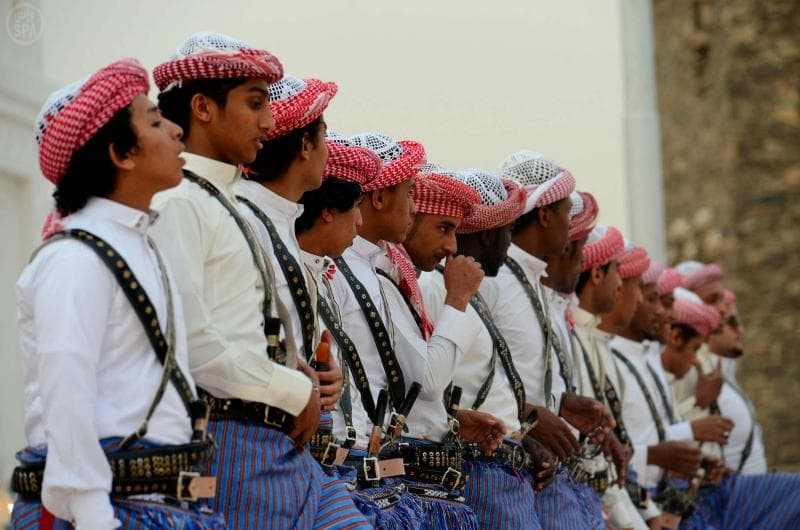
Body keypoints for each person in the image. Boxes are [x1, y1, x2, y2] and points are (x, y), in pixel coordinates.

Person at [12, 58, 225, 529]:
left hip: (158, 505)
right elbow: (66, 392)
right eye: (155, 121)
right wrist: (94, 518)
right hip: (101, 512)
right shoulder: (74, 258)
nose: (176, 131)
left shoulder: (140, 245)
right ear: (121, 154)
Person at [150, 32, 325, 529]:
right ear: (203, 108)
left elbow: (238, 325)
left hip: (272, 440)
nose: (269, 122)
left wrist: (292, 369)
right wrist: (293, 390)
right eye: (254, 103)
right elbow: (192, 344)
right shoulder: (179, 201)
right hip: (230, 439)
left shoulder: (222, 198)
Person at [295, 135, 424, 528]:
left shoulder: (358, 270)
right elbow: (426, 377)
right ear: (328, 211)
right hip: (327, 459)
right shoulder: (328, 268)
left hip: (358, 461)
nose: (361, 220)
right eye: (355, 207)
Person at [483, 150, 612, 529]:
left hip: (541, 471)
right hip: (505, 470)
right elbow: (472, 379)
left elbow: (523, 377)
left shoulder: (532, 281)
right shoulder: (494, 280)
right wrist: (528, 421)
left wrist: (563, 405)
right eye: (565, 213)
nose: (569, 228)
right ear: (544, 216)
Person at [419, 167, 547, 529]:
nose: (509, 244)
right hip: (477, 468)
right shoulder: (433, 287)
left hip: (503, 470)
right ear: (490, 235)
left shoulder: (465, 291)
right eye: (508, 232)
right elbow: (424, 381)